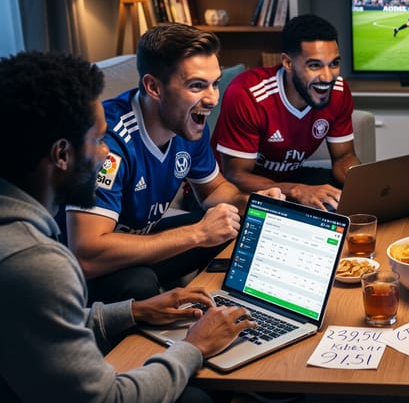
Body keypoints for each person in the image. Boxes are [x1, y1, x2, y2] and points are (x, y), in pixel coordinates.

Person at [0, 51, 257, 403]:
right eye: (97, 140)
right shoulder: (37, 262)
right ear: (61, 155)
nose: (106, 155)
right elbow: (109, 399)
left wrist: (134, 311)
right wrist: (194, 346)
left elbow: (38, 319)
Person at [66, 23, 282, 304]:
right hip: (79, 272)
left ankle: (242, 309)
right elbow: (87, 254)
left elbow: (215, 192)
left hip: (137, 242)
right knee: (139, 282)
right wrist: (197, 233)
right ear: (153, 87)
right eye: (197, 86)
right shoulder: (108, 142)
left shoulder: (189, 125)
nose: (213, 98)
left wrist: (252, 201)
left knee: (233, 222)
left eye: (215, 83)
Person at [212, 14, 360, 209]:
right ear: (288, 63)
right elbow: (236, 175)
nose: (327, 77)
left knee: (339, 196)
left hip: (288, 179)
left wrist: (363, 186)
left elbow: (343, 158)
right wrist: (296, 191)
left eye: (334, 64)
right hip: (229, 191)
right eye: (315, 65)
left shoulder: (339, 91)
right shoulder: (248, 94)